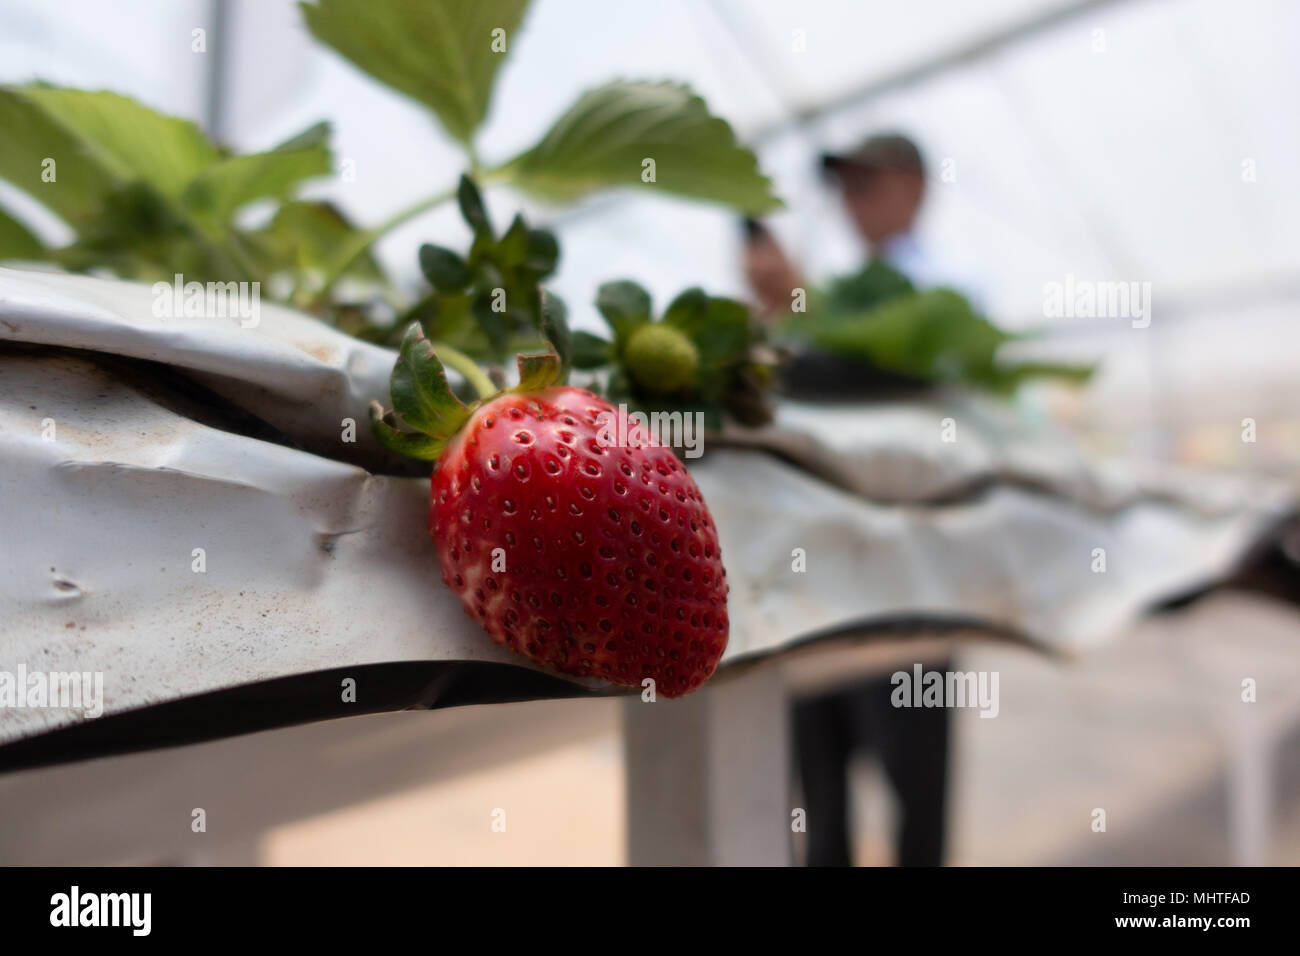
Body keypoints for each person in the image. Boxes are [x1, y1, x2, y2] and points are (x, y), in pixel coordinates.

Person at [744, 133, 965, 867]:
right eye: (844, 188)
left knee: (916, 808)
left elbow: (900, 383)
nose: (852, 202)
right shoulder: (843, 295)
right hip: (826, 586)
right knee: (823, 810)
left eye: (867, 184)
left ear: (916, 186)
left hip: (910, 588)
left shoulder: (944, 294)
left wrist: (795, 316)